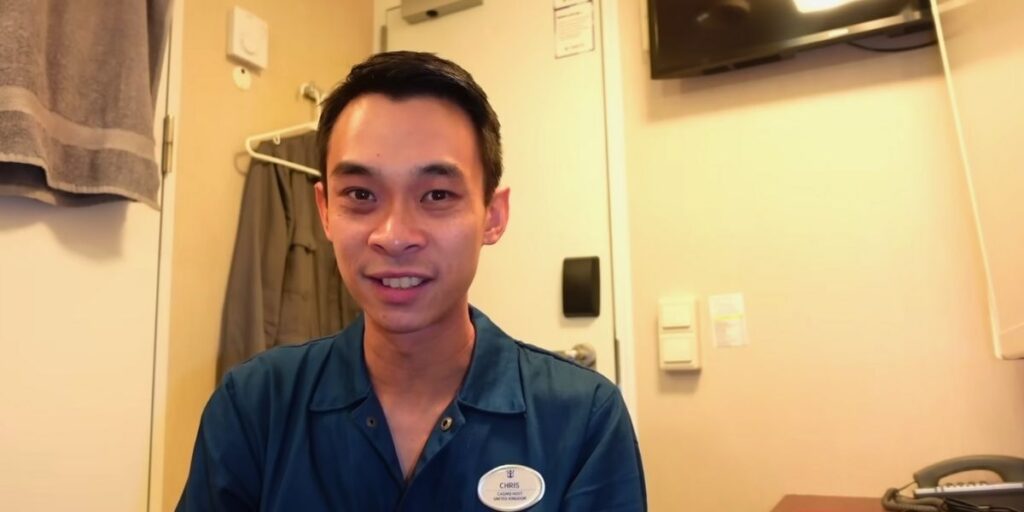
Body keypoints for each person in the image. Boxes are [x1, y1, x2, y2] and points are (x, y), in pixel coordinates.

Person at [177, 51, 646, 512]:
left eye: (437, 195)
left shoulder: (583, 418)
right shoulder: (255, 407)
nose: (394, 236)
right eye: (360, 194)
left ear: (493, 216)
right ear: (324, 210)